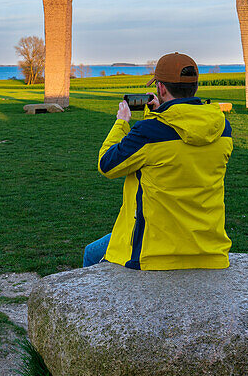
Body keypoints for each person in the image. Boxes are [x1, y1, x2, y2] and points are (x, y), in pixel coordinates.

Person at [83, 52, 233, 270]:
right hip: (209, 249)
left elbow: (107, 164)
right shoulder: (223, 128)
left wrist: (121, 123)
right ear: (195, 88)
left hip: (155, 253)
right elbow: (170, 145)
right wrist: (156, 116)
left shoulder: (149, 132)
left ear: (161, 88)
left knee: (91, 253)